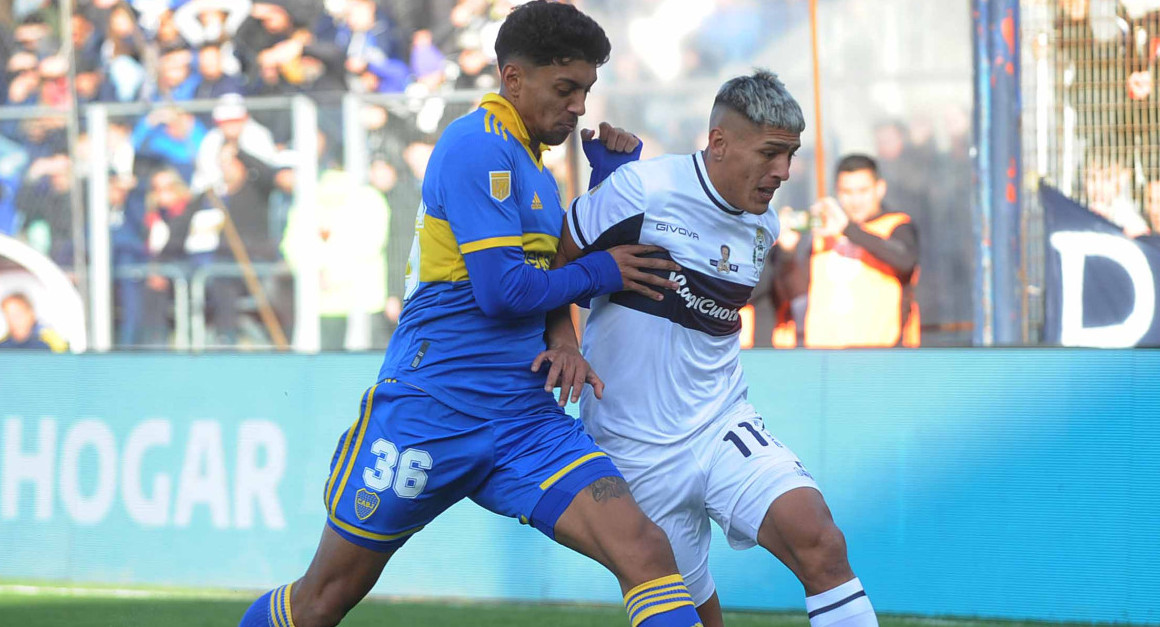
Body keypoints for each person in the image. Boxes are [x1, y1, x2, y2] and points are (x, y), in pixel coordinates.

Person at [237, 3, 702, 627]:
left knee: (645, 550)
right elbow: (504, 292)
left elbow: (547, 280)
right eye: (565, 89)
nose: (579, 107)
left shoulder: (535, 169)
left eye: (586, 91)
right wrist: (603, 269)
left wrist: (605, 203)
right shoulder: (475, 146)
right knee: (321, 601)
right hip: (431, 410)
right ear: (514, 79)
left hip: (522, 418)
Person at [560, 70, 879, 627]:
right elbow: (557, 262)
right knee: (691, 613)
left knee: (820, 539)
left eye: (791, 155)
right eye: (771, 153)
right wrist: (564, 338)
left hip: (720, 422)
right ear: (719, 142)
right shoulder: (642, 190)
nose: (782, 172)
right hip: (635, 443)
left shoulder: (765, 225)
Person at [771, 154, 921, 348]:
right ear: (837, 192)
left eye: (863, 191)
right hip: (824, 354)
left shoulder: (896, 226)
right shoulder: (825, 234)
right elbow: (797, 292)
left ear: (880, 189)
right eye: (847, 192)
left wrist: (848, 229)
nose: (855, 200)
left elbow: (905, 260)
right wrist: (787, 252)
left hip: (880, 354)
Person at [0, 292, 67, 351]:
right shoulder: (3, 346)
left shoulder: (50, 342)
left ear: (31, 314)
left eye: (17, 314)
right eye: (8, 315)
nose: (13, 320)